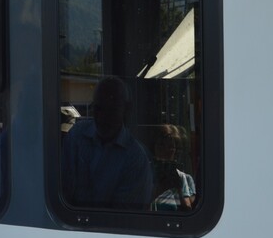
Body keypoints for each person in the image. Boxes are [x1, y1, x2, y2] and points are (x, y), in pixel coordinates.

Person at [61, 76, 153, 209]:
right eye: (98, 108)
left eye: (111, 110)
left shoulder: (136, 158)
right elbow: (62, 187)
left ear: (126, 110)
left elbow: (125, 214)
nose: (103, 117)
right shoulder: (77, 136)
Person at [150, 124, 196, 211]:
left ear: (175, 150)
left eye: (170, 146)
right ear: (154, 146)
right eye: (161, 145)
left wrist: (179, 189)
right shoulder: (145, 172)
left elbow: (188, 210)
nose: (166, 150)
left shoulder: (181, 177)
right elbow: (139, 203)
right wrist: (161, 189)